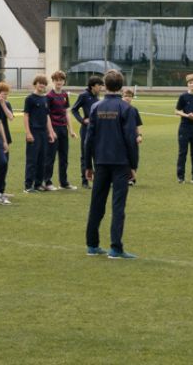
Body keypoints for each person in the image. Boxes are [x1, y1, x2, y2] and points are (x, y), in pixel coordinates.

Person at [84, 69, 142, 259]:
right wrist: (133, 166)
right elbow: (130, 139)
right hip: (120, 163)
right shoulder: (128, 109)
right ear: (121, 87)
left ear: (105, 86)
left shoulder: (96, 107)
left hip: (100, 161)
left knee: (96, 204)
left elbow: (88, 139)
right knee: (118, 206)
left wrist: (87, 165)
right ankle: (115, 248)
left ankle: (92, 245)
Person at [24, 75, 57, 193]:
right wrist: (28, 133)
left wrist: (51, 132)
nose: (42, 85)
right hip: (34, 132)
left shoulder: (45, 99)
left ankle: (38, 184)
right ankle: (28, 186)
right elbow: (26, 116)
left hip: (44, 133)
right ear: (35, 84)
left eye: (44, 83)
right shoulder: (30, 99)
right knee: (32, 160)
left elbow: (47, 116)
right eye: (40, 83)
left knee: (42, 159)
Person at [74, 75, 104, 189]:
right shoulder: (83, 96)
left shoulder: (98, 96)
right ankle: (85, 181)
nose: (101, 87)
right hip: (86, 129)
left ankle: (98, 180)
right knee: (85, 154)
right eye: (99, 85)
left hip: (98, 130)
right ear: (92, 86)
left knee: (97, 154)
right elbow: (74, 109)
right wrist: (82, 120)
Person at [47, 71, 74, 190]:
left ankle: (64, 183)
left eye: (61, 80)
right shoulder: (49, 96)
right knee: (50, 156)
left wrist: (71, 130)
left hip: (63, 129)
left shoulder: (65, 95)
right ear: (53, 81)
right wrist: (51, 131)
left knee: (64, 156)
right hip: (53, 128)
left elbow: (67, 112)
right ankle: (47, 182)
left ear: (64, 81)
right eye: (56, 80)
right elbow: (46, 115)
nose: (59, 82)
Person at [0, 81, 17, 202]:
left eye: (6, 94)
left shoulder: (6, 103)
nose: (5, 97)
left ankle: (1, 190)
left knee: (4, 164)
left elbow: (11, 117)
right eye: (3, 94)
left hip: (6, 137)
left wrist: (3, 104)